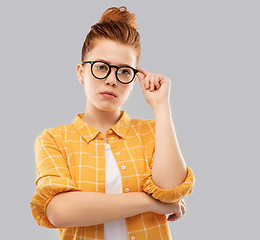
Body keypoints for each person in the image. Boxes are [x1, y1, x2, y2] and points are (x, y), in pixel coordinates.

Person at [30, 6, 195, 240]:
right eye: (101, 67)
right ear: (81, 72)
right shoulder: (54, 139)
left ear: (134, 79)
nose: (111, 80)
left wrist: (161, 106)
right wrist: (150, 202)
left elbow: (170, 191)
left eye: (124, 72)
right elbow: (60, 211)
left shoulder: (152, 133)